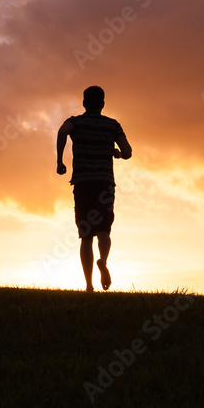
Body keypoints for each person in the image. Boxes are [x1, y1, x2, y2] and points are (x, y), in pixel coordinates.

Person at [56, 85, 132, 292]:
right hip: (104, 182)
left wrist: (59, 161)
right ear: (103, 104)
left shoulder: (75, 122)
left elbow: (62, 132)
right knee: (104, 230)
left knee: (86, 234)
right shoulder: (112, 125)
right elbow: (128, 151)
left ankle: (89, 286)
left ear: (84, 103)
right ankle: (103, 262)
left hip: (82, 182)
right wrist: (117, 154)